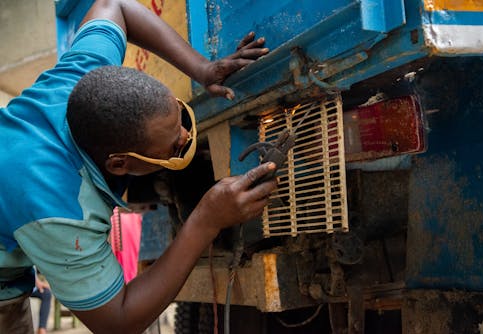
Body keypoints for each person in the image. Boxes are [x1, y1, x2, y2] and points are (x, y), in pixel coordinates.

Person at [0, 0, 277, 333]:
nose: (186, 136)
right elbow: (118, 321)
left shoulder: (85, 73)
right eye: (174, 145)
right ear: (120, 164)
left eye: (179, 119)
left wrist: (203, 69)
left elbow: (113, 4)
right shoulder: (58, 209)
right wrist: (205, 220)